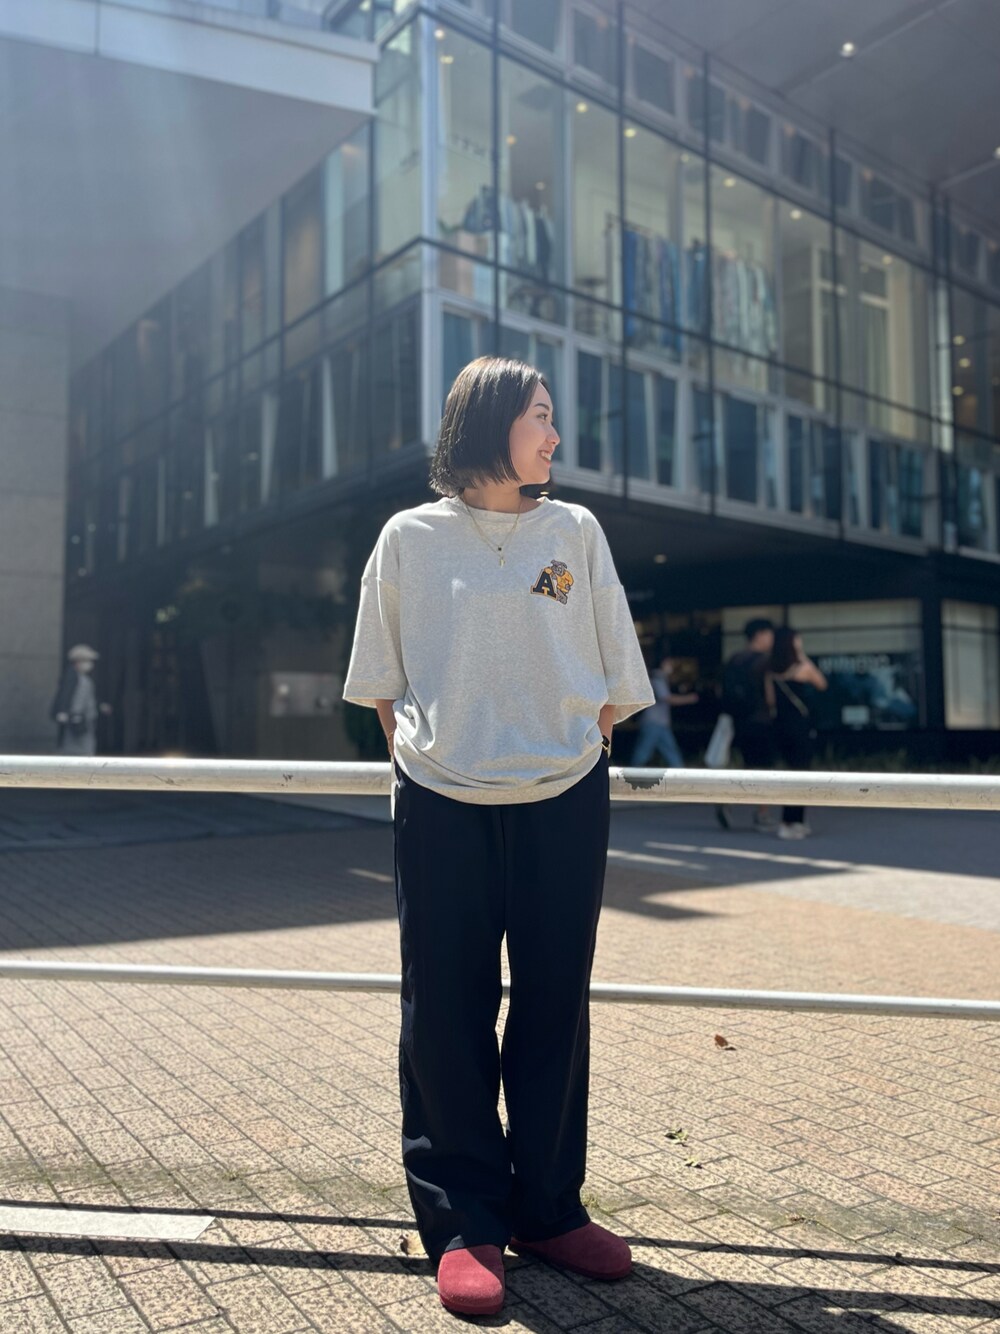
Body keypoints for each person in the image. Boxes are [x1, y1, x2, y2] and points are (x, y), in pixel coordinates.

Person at [343, 356, 653, 1318]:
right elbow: (382, 683)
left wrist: (574, 748)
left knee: (556, 1001)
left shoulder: (575, 531)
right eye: (540, 416)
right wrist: (430, 761)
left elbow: (615, 672)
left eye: (553, 417)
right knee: (446, 1007)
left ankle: (550, 1208)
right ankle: (464, 1220)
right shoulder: (409, 538)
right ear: (487, 423)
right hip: (441, 799)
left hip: (564, 795)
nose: (555, 436)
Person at [768, 626, 828, 839]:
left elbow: (770, 701)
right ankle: (792, 821)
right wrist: (802, 655)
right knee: (802, 774)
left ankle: (792, 820)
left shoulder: (771, 670)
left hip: (780, 727)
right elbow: (822, 684)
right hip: (800, 727)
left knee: (790, 774)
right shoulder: (803, 668)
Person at [716, 617, 775, 831]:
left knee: (747, 765)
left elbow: (722, 690)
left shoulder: (735, 659)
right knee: (764, 769)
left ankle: (728, 798)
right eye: (769, 635)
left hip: (738, 720)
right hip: (761, 720)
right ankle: (762, 813)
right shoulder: (765, 661)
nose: (772, 640)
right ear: (760, 635)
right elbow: (769, 695)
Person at [631, 644, 699, 768]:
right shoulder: (657, 678)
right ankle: (631, 774)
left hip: (658, 723)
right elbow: (667, 698)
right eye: (669, 662)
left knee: (665, 752)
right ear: (662, 663)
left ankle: (679, 772)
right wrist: (689, 698)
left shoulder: (660, 678)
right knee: (645, 753)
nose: (671, 666)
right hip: (654, 722)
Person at [49, 644, 111, 756]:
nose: (90, 664)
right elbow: (65, 694)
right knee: (74, 747)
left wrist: (100, 706)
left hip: (85, 720)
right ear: (78, 662)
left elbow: (89, 698)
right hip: (75, 719)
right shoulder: (71, 677)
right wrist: (63, 711)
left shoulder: (85, 679)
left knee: (84, 745)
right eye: (87, 661)